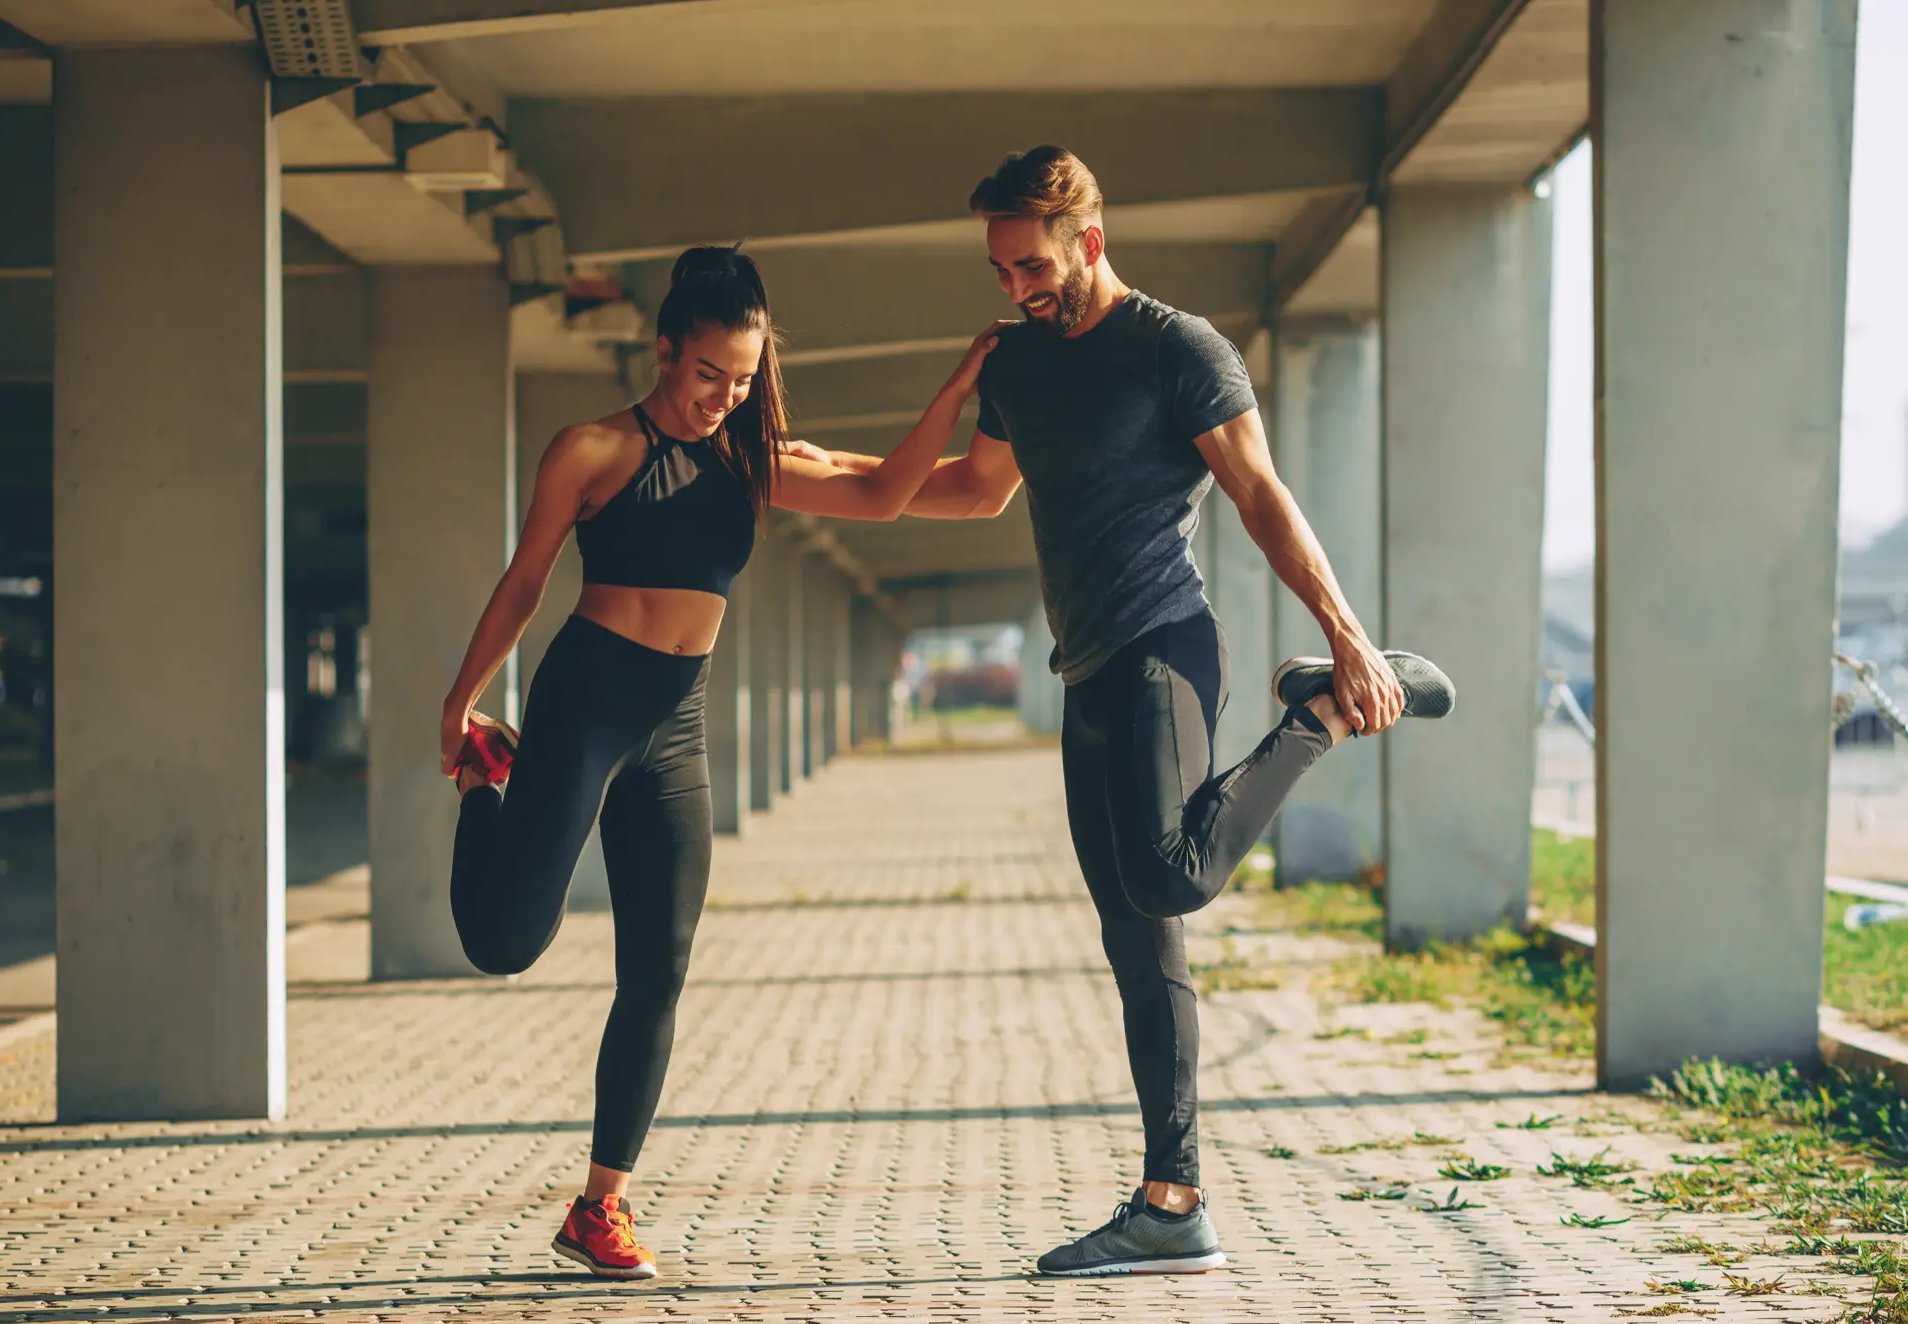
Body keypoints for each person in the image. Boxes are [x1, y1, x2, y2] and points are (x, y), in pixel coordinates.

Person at [785, 147, 1455, 1277]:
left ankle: (1316, 717)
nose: (1013, 286)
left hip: (1164, 646)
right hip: (1084, 669)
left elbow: (1257, 495)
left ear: (1088, 240)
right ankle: (1170, 1201)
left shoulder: (1173, 349)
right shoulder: (1019, 363)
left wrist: (1344, 638)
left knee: (1168, 875)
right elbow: (971, 488)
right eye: (999, 268)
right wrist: (837, 455)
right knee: (1138, 944)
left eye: (1030, 263)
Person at [439, 244, 1005, 1281]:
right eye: (708, 374)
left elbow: (883, 492)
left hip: (675, 726)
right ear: (664, 349)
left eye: (742, 379)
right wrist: (463, 702)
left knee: (657, 968)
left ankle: (598, 1205)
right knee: (505, 941)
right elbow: (525, 583)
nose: (722, 396)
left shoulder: (753, 459)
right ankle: (488, 787)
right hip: (582, 705)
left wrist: (968, 390)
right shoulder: (591, 449)